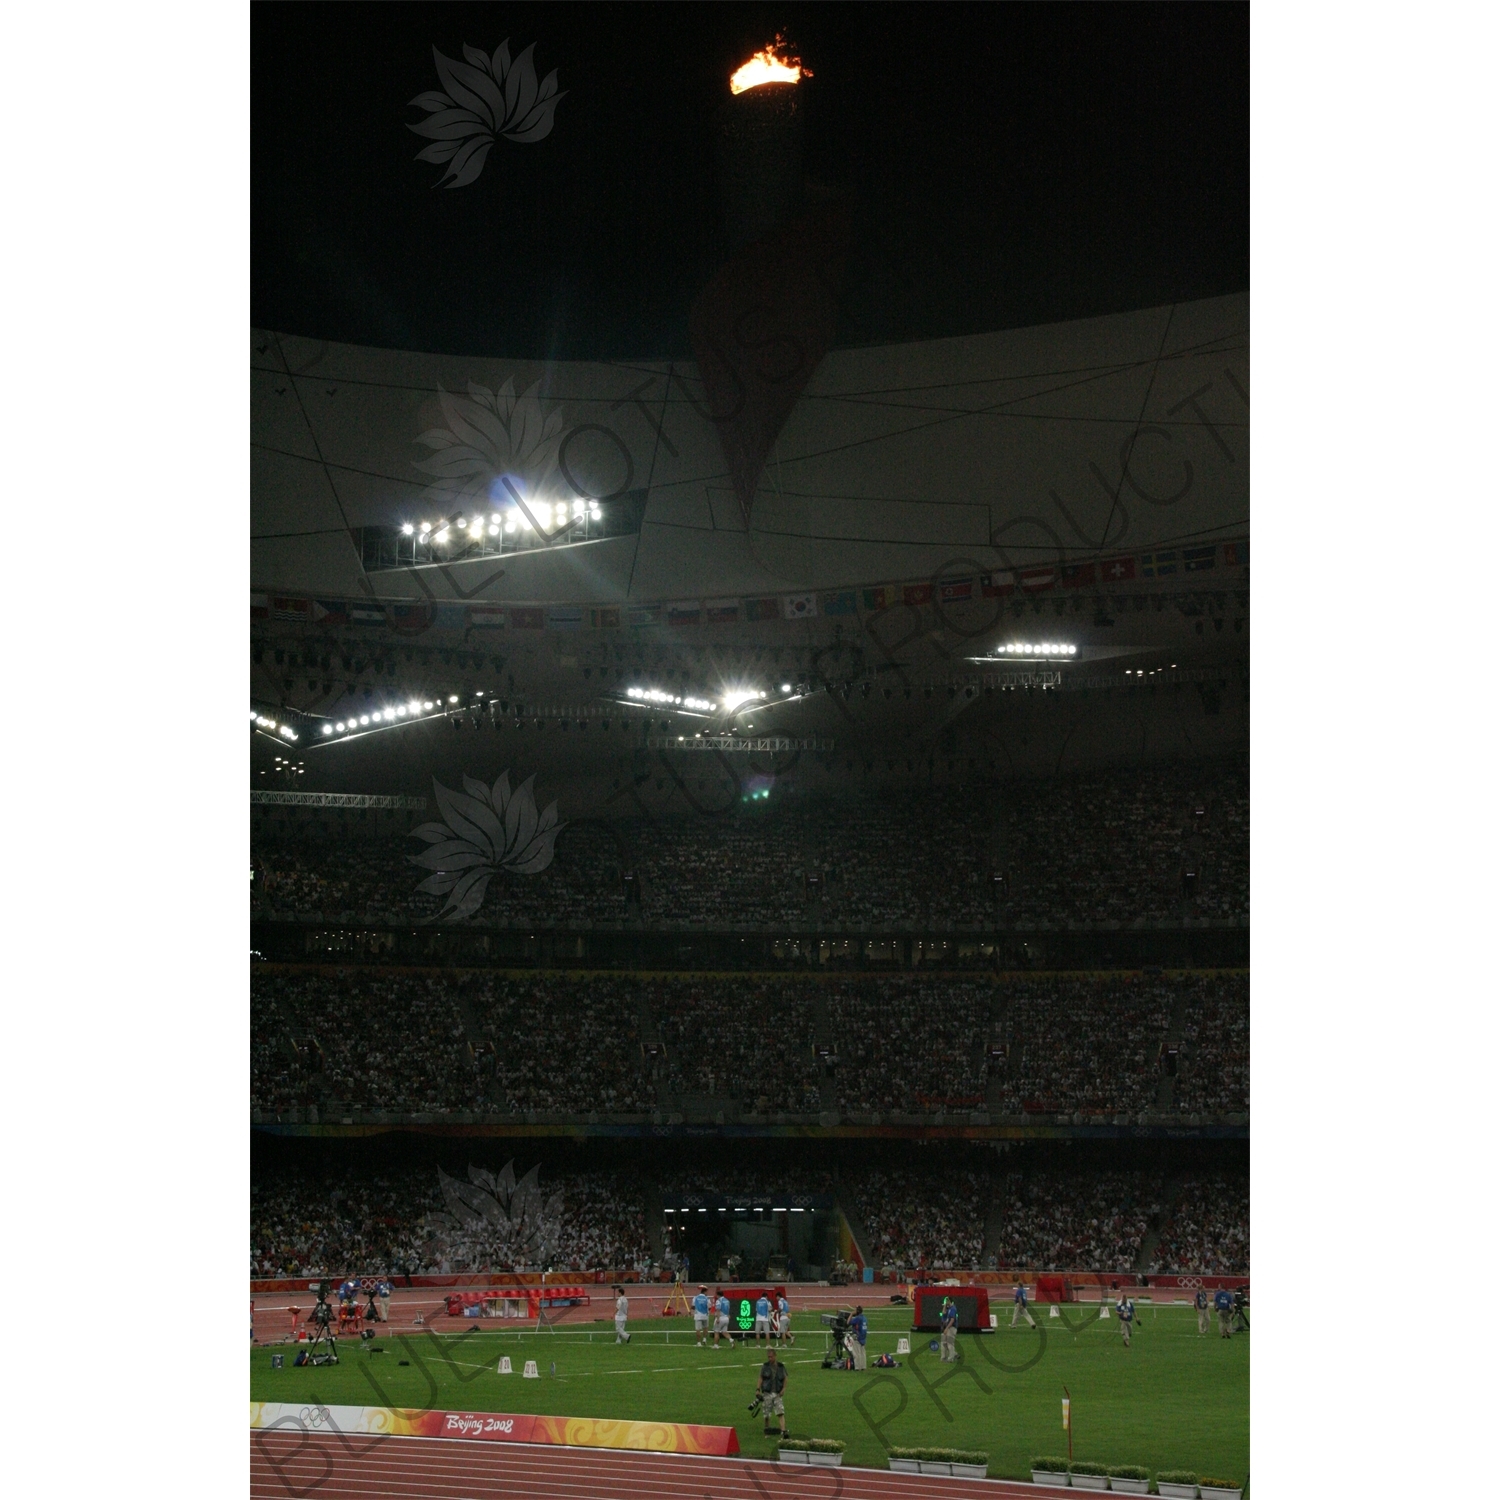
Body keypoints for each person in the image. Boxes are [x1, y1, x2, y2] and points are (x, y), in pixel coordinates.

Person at [756, 1346, 788, 1438]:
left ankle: (783, 1431)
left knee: (780, 1412)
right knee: (766, 1414)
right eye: (768, 1357)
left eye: (771, 1357)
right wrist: (758, 1389)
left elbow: (785, 1378)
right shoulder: (765, 1366)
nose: (770, 1359)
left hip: (777, 1393)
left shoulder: (781, 1366)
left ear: (775, 1356)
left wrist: (784, 1389)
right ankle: (767, 1430)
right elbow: (761, 1378)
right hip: (767, 1393)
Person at [939, 1296, 958, 1362]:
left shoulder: (952, 1309)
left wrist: (947, 1328)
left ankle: (950, 1358)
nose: (946, 1303)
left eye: (947, 1301)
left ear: (950, 1301)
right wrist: (944, 1306)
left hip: (951, 1328)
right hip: (946, 1327)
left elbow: (952, 1320)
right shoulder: (948, 1308)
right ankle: (946, 1356)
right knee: (944, 1343)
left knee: (950, 1343)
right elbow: (943, 1313)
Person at [849, 1305, 868, 1370]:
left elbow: (848, 1322)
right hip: (863, 1337)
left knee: (856, 1353)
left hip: (858, 1337)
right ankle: (863, 1366)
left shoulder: (858, 1318)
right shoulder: (864, 1318)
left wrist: (851, 1314)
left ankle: (857, 1367)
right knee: (862, 1353)